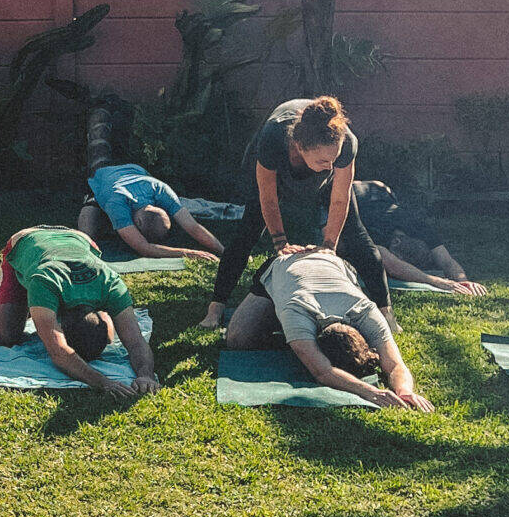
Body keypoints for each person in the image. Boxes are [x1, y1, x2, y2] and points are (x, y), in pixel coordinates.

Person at [203, 95, 390, 330]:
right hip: (276, 171)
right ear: (300, 148)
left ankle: (387, 312)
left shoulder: (345, 144)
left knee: (356, 233)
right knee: (247, 231)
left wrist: (329, 246)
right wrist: (280, 242)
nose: (331, 167)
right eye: (324, 160)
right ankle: (215, 308)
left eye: (334, 159)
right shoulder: (273, 138)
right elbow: (268, 199)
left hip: (317, 165)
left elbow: (340, 198)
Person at [225, 247, 432, 410]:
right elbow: (323, 372)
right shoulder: (363, 311)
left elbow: (396, 366)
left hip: (319, 273)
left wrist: (404, 391)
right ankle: (295, 335)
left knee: (239, 340)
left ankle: (298, 339)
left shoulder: (364, 313)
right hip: (282, 263)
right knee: (237, 339)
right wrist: (370, 392)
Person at [0, 227, 159, 400]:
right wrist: (102, 382)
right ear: (61, 326)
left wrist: (146, 375)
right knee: (1, 337)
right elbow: (59, 352)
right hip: (27, 239)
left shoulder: (111, 284)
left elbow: (137, 343)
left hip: (81, 240)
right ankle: (36, 303)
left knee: (105, 336)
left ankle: (46, 308)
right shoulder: (44, 281)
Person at [354, 180, 485, 296]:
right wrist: (435, 281)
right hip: (361, 195)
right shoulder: (375, 234)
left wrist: (464, 282)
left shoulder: (422, 229)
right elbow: (393, 266)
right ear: (396, 243)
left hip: (378, 190)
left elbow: (447, 262)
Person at [77, 162, 226, 263]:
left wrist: (223, 251)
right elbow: (143, 248)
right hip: (100, 177)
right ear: (139, 223)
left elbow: (194, 227)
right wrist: (190, 253)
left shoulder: (162, 189)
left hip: (137, 170)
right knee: (88, 229)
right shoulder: (117, 203)